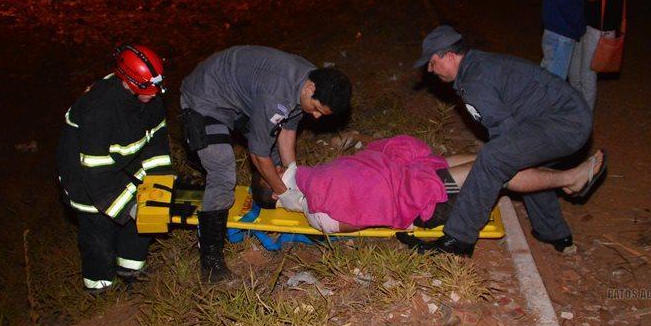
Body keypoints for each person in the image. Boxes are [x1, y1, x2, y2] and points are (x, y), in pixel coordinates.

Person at [403, 25, 596, 257]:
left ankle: (458, 239)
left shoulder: (475, 82)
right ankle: (553, 232)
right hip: (565, 118)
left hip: (566, 124)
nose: (431, 70)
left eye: (432, 63)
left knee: (494, 158)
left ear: (450, 56)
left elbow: (502, 144)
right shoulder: (477, 67)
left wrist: (462, 197)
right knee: (514, 159)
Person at [180, 46, 352, 282]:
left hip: (239, 98)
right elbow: (258, 155)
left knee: (274, 158)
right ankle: (211, 261)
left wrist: (292, 175)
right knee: (222, 170)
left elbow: (288, 129)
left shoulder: (309, 80)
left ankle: (269, 189)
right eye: (317, 109)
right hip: (206, 98)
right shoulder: (278, 93)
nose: (316, 117)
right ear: (310, 89)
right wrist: (284, 193)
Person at [258, 135, 603, 235]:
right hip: (423, 198)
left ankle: (551, 168)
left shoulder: (312, 179)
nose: (277, 165)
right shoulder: (316, 211)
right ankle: (569, 179)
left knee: (477, 155)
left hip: (409, 173)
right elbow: (366, 213)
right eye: (271, 171)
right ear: (276, 193)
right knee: (496, 169)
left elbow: (359, 169)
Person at [57, 45, 173, 293]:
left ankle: (131, 269)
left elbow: (157, 141)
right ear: (129, 82)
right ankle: (99, 287)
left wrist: (159, 184)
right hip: (85, 175)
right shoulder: (98, 109)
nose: (153, 95)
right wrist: (130, 206)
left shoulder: (150, 98)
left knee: (143, 217)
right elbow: (95, 171)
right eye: (147, 90)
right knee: (99, 233)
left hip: (121, 164)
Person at [569, 0, 625, 110]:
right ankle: (576, 111)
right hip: (586, 27)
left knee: (587, 76)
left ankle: (584, 120)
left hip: (600, 32)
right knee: (574, 74)